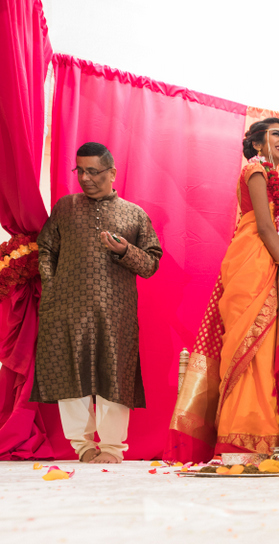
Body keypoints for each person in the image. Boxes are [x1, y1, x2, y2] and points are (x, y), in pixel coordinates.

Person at [165, 118, 279, 462]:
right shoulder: (255, 170)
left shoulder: (274, 177)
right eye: (276, 133)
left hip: (266, 262)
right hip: (251, 261)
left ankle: (264, 435)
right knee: (249, 349)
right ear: (257, 142)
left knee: (263, 353)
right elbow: (265, 227)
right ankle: (242, 440)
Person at [32, 142, 163, 464]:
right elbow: (46, 248)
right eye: (80, 171)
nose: (86, 178)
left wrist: (123, 251)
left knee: (113, 374)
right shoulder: (65, 207)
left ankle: (111, 448)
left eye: (94, 171)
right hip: (65, 308)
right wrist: (51, 287)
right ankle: (83, 446)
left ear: (112, 172)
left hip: (114, 310)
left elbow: (151, 264)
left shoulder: (134, 214)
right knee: (69, 375)